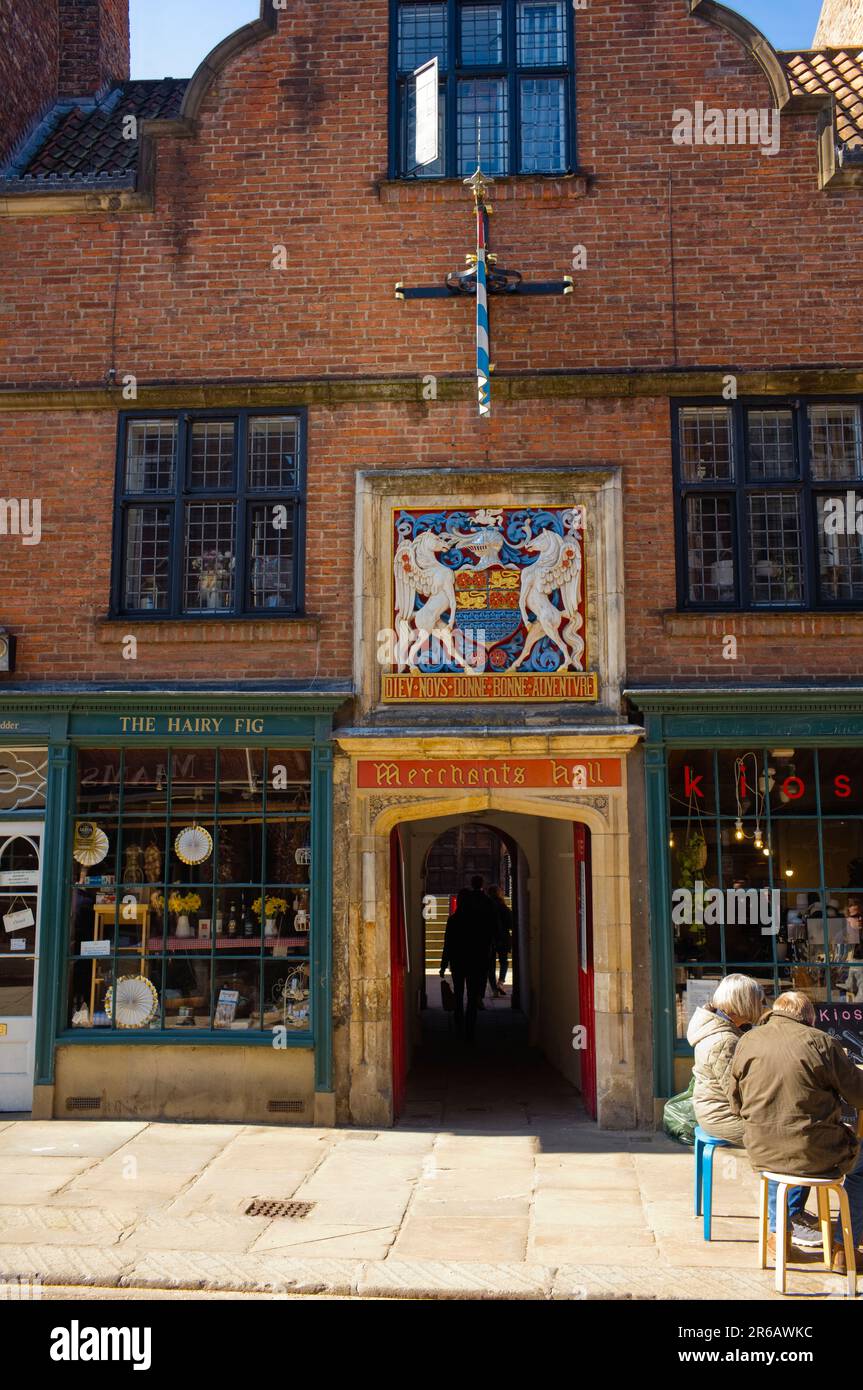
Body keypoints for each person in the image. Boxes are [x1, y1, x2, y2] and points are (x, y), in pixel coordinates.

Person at [730, 991, 863, 1273]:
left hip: (761, 1149)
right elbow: (858, 1094)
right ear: (809, 1018)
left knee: (788, 1149)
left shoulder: (748, 1040)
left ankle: (780, 1236)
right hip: (812, 1153)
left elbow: (734, 1099)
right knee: (858, 1166)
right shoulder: (822, 1042)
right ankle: (844, 1247)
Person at [686, 973, 765, 1146]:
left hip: (714, 1110)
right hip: (722, 1117)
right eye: (758, 1001)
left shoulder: (721, 1029)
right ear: (744, 1003)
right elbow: (737, 1093)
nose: (761, 1006)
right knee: (786, 1135)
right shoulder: (724, 1041)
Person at [439, 876, 498, 1042]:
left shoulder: (453, 920)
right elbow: (486, 937)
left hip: (458, 962)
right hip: (475, 961)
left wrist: (443, 964)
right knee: (472, 997)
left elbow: (448, 943)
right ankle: (470, 1031)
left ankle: (459, 1029)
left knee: (458, 995)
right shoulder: (477, 920)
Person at [486, 884, 513, 998]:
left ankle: (494, 989)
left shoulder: (486, 906)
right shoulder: (503, 907)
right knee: (504, 961)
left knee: (490, 965)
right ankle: (500, 982)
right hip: (502, 938)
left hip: (490, 938)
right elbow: (511, 923)